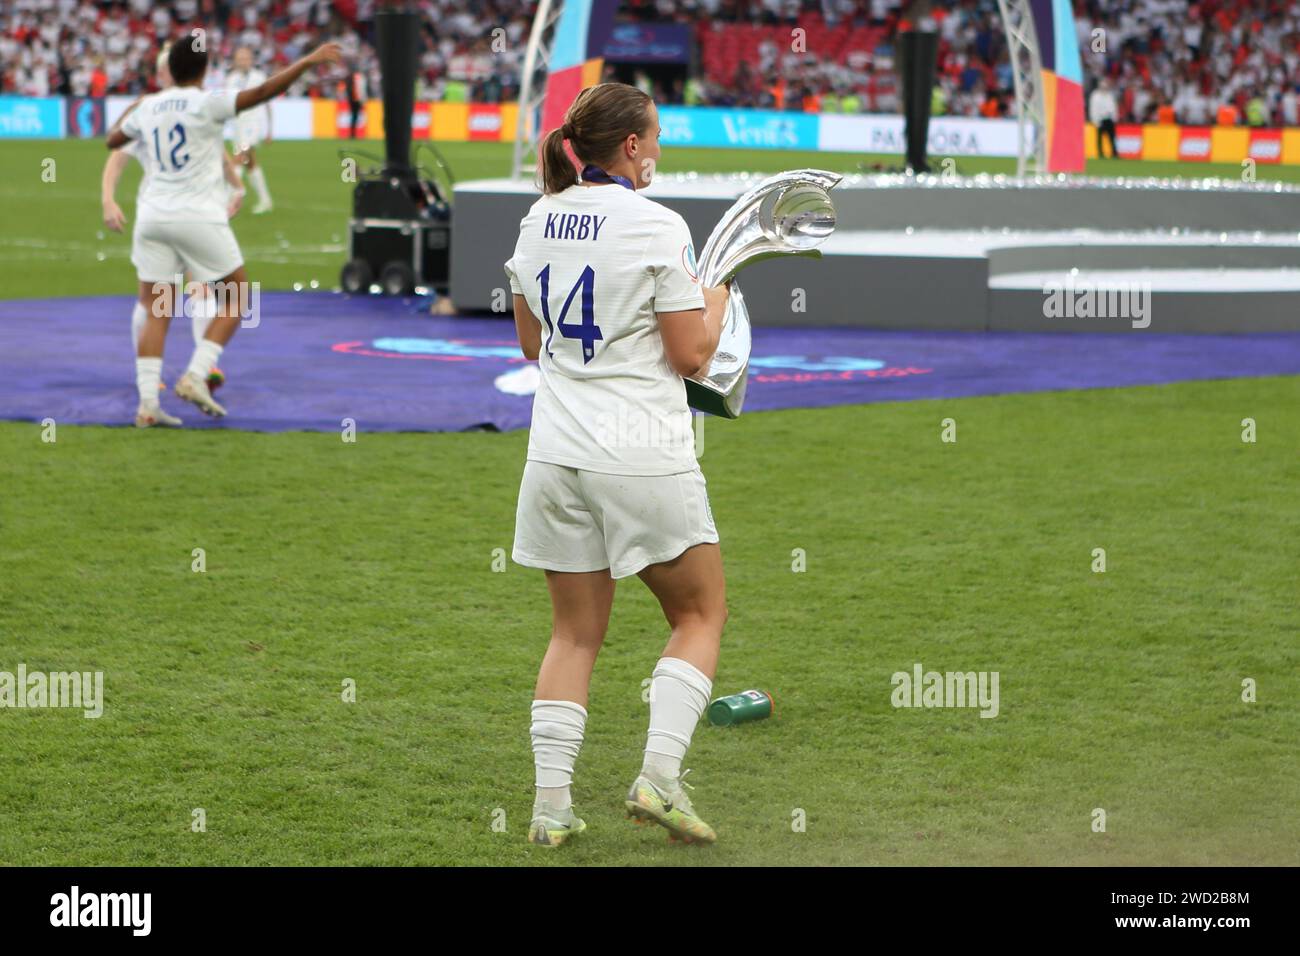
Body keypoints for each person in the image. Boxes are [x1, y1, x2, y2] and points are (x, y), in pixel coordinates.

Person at [503, 83, 732, 848]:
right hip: (640, 453)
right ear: (630, 146)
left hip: (555, 456)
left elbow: (532, 348)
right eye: (656, 136)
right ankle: (658, 778)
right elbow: (692, 353)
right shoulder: (658, 224)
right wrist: (719, 296)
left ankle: (550, 809)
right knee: (699, 615)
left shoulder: (538, 216)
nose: (659, 149)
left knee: (573, 637)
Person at [106, 33, 343, 426]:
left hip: (151, 217)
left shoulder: (149, 106)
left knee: (156, 309)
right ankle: (197, 374)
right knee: (236, 297)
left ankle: (148, 405)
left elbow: (114, 139)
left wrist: (139, 105)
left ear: (170, 69)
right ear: (204, 69)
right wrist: (306, 62)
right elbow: (265, 91)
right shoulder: (208, 101)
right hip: (196, 215)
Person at [101, 42, 243, 407]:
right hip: (190, 216)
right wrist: (108, 198)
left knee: (185, 295)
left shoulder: (155, 109)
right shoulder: (164, 109)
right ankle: (181, 373)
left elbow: (218, 153)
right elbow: (117, 158)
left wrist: (236, 183)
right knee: (168, 299)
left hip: (159, 217)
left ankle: (186, 377)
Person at [224, 46, 274, 214]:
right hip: (238, 126)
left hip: (254, 125)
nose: (243, 61)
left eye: (246, 58)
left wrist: (269, 130)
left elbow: (267, 104)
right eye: (240, 58)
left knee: (238, 159)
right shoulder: (231, 79)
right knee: (250, 163)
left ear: (251, 60)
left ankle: (227, 199)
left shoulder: (259, 77)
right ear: (235, 61)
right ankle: (266, 200)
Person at [1089, 77, 1119, 159]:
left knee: (1112, 137)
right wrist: (1096, 120)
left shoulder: (1110, 95)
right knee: (1100, 138)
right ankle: (1100, 153)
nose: (1105, 87)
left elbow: (1113, 107)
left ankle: (1114, 153)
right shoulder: (1095, 95)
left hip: (1109, 119)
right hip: (1100, 119)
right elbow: (1093, 109)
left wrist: (1114, 118)